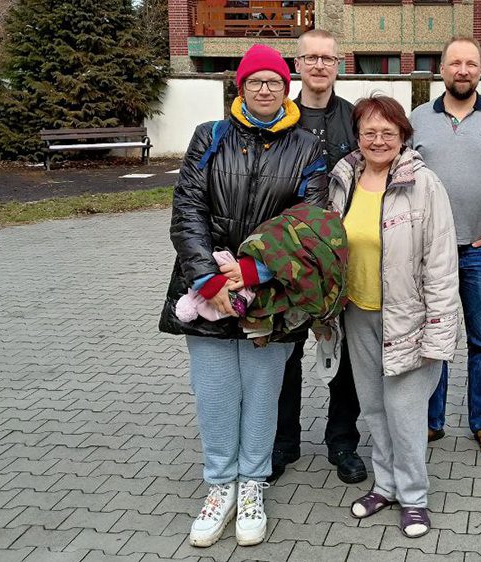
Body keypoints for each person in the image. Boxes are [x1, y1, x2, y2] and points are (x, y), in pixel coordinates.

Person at [158, 43, 327, 547]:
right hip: (204, 288)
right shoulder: (208, 137)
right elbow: (187, 207)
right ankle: (218, 487)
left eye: (274, 80)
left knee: (260, 394)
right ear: (241, 85)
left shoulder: (307, 146)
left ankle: (251, 484)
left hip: (271, 294)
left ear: (286, 86)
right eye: (255, 80)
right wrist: (205, 276)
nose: (265, 88)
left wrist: (254, 271)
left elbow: (309, 223)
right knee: (214, 393)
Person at [328, 95, 459, 538]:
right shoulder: (343, 178)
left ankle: (415, 497)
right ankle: (384, 486)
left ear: (403, 136)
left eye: (388, 132)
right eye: (369, 132)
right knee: (374, 407)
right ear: (358, 137)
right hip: (358, 313)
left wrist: (439, 333)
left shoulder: (424, 184)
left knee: (405, 411)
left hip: (409, 317)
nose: (378, 140)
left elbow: (441, 264)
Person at [410, 36, 481, 459]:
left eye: (471, 64)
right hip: (428, 253)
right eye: (455, 63)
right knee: (431, 338)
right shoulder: (418, 118)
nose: (463, 70)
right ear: (441, 69)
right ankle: (428, 420)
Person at [271, 29, 366, 484]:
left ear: (338, 64)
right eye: (311, 58)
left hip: (342, 257)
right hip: (289, 256)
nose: (319, 66)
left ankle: (342, 441)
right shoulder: (279, 118)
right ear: (298, 63)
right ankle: (283, 441)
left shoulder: (355, 119)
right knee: (285, 352)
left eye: (327, 58)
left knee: (345, 355)